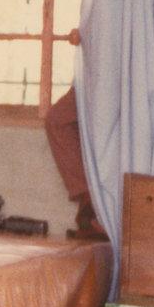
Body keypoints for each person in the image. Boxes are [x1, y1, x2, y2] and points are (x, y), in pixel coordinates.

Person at [45, 28, 107, 239]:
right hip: (93, 70)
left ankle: (101, 216)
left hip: (117, 70)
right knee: (58, 120)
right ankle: (89, 200)